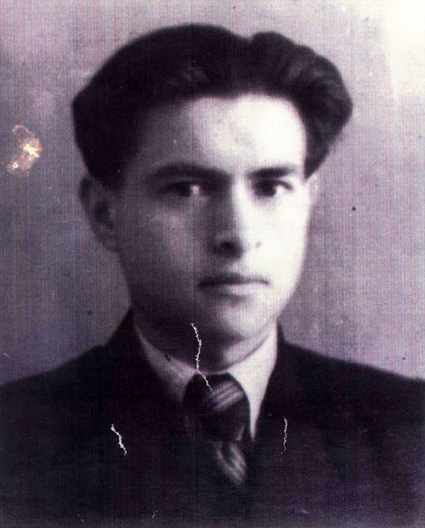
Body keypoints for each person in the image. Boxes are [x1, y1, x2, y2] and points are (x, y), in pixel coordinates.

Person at [1, 24, 424, 528]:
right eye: (187, 188)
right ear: (104, 214)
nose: (238, 236)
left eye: (271, 186)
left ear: (309, 199)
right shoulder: (16, 440)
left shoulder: (411, 432)